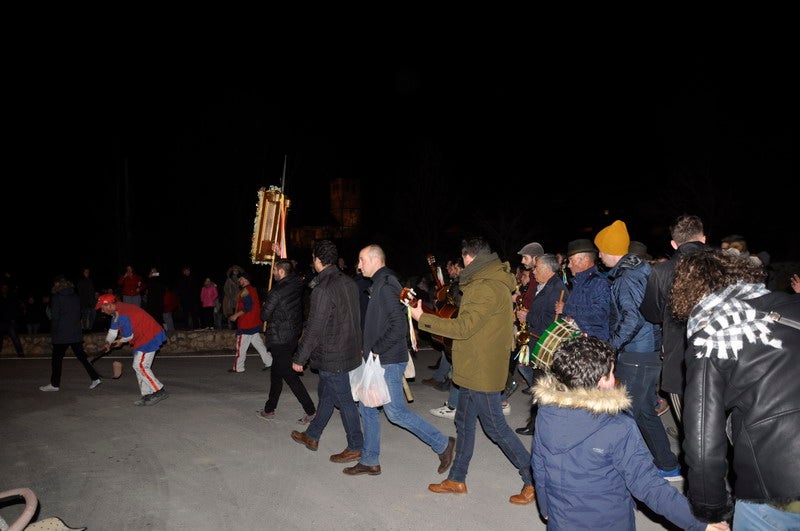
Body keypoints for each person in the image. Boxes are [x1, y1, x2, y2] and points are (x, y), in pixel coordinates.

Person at [531, 335, 728, 531]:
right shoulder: (617, 427)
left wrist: (546, 506)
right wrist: (699, 524)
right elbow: (648, 485)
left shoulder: (546, 412)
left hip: (561, 521)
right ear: (601, 381)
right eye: (611, 373)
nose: (614, 378)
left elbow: (539, 465)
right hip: (608, 522)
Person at [672, 248, 800, 529]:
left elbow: (703, 442)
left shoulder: (711, 336)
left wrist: (711, 510)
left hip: (777, 487)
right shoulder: (792, 304)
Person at [409, 237, 535, 505]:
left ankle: (533, 478)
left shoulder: (485, 286)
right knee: (464, 423)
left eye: (462, 259)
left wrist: (423, 319)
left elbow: (463, 328)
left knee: (495, 427)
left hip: (481, 369)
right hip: (474, 366)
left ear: (469, 258)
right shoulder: (490, 281)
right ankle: (457, 478)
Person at [343, 244, 455, 477]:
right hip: (379, 358)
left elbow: (399, 326)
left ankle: (443, 444)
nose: (359, 265)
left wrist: (376, 349)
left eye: (362, 260)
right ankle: (370, 459)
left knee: (395, 412)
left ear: (375, 260)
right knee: (367, 406)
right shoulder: (382, 283)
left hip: (387, 359)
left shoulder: (386, 286)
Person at [594, 220, 681, 481]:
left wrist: (612, 346)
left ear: (611, 251)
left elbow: (632, 318)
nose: (598, 255)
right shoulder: (640, 271)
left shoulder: (627, 277)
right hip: (647, 351)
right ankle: (667, 464)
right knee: (641, 410)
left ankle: (622, 467)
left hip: (637, 353)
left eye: (600, 250)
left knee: (623, 412)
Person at [290, 240, 364, 463]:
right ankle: (312, 435)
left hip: (334, 355)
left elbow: (314, 328)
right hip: (348, 350)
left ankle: (356, 446)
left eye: (313, 258)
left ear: (318, 260)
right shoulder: (349, 282)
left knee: (345, 401)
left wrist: (299, 358)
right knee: (327, 395)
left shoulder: (323, 289)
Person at [639, 214, 706, 422]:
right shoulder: (726, 266)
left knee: (688, 425)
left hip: (680, 358)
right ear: (703, 238)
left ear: (674, 244)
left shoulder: (661, 271)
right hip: (723, 354)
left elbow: (651, 314)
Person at [513, 253, 569, 436]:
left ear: (546, 268)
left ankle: (540, 426)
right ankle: (536, 424)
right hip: (538, 341)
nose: (533, 271)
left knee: (544, 387)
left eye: (536, 268)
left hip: (547, 344)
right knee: (540, 385)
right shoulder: (545, 285)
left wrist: (527, 316)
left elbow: (552, 322)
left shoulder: (557, 289)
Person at [257, 259, 316, 423]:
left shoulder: (276, 291)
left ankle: (311, 411)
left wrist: (265, 304)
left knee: (289, 376)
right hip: (292, 336)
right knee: (276, 374)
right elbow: (292, 271)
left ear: (281, 272)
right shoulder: (297, 283)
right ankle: (269, 409)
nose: (273, 272)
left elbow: (264, 316)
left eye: (275, 270)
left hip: (279, 338)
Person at [95, 293, 169, 406]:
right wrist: (108, 342)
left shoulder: (122, 314)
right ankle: (147, 395)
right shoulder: (117, 312)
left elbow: (128, 336)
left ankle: (159, 391)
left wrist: (120, 341)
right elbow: (113, 332)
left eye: (102, 307)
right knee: (139, 366)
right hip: (141, 338)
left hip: (149, 336)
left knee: (139, 366)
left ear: (109, 305)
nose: (102, 311)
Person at [39, 275, 102, 392]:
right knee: (82, 357)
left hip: (62, 334)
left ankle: (54, 384)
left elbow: (55, 318)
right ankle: (95, 377)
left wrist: (53, 333)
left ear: (58, 285)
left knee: (56, 360)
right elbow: (79, 314)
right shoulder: (75, 297)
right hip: (75, 333)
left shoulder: (57, 298)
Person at [555, 238, 610, 341]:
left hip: (594, 346)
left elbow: (600, 314)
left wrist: (566, 309)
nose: (569, 265)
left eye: (571, 260)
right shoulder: (578, 283)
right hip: (581, 345)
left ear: (585, 259)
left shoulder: (599, 283)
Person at [227, 272, 272, 373]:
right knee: (259, 345)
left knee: (241, 347)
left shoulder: (245, 291)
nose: (239, 280)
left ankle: (238, 367)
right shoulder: (252, 289)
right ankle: (270, 362)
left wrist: (235, 315)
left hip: (246, 323)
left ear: (245, 280)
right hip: (254, 322)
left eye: (241, 279)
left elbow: (248, 307)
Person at [0, 282, 25, 356]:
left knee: (15, 337)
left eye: (6, 288)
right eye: (3, 288)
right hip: (1, 321)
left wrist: (14, 319)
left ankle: (20, 352)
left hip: (10, 321)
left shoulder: (12, 297)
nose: (4, 289)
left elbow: (16, 308)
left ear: (7, 289)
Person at [176, 266, 201, 330]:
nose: (188, 272)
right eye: (186, 270)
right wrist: (181, 300)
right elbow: (179, 291)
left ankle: (196, 326)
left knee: (194, 313)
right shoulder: (181, 280)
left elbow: (196, 289)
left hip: (193, 299)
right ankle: (186, 326)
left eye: (188, 270)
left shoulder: (192, 279)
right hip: (185, 300)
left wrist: (196, 298)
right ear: (183, 272)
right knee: (185, 314)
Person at [223, 265, 244, 330]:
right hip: (230, 300)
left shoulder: (241, 279)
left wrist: (240, 296)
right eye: (234, 270)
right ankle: (231, 328)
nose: (235, 271)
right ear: (232, 271)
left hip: (239, 299)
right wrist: (232, 297)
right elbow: (226, 289)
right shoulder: (229, 280)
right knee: (230, 314)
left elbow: (244, 289)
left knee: (238, 313)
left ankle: (238, 327)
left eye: (237, 270)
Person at [76, 267, 97, 332]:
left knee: (93, 314)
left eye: (88, 272)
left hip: (92, 302)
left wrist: (94, 299)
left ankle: (90, 328)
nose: (87, 273)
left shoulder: (90, 280)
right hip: (84, 302)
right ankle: (85, 329)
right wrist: (81, 302)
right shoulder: (80, 281)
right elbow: (80, 292)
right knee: (85, 316)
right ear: (83, 273)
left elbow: (92, 291)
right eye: (86, 272)